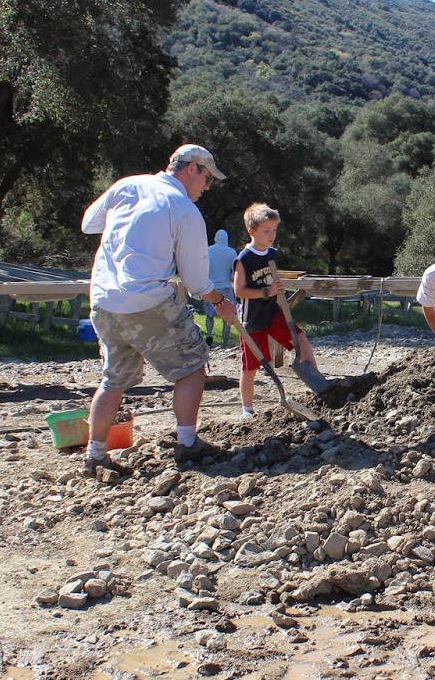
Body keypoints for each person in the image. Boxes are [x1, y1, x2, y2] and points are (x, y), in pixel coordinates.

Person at [79, 144, 238, 475]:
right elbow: (196, 282)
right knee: (192, 364)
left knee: (113, 380)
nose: (207, 187)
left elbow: (90, 225)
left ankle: (95, 455)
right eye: (207, 179)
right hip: (147, 300)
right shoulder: (184, 209)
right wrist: (220, 302)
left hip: (104, 300)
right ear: (192, 169)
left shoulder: (127, 185)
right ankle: (188, 444)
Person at [233, 202, 318, 419]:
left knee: (300, 338)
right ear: (252, 231)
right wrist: (266, 291)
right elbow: (239, 290)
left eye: (274, 230)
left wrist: (276, 288)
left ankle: (318, 383)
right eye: (266, 231)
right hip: (252, 319)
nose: (271, 235)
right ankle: (247, 410)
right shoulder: (244, 259)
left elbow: (273, 279)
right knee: (250, 365)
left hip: (273, 312)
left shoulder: (272, 254)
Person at [202, 229, 237, 348]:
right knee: (227, 317)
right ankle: (225, 344)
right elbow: (234, 272)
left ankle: (209, 334)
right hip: (226, 286)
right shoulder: (231, 252)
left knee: (209, 315)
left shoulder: (208, 250)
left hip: (211, 287)